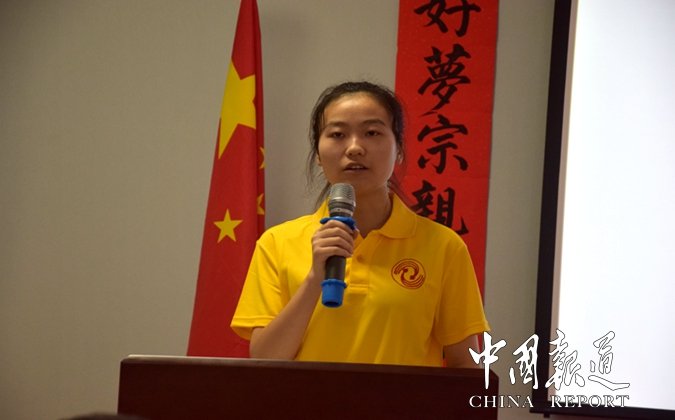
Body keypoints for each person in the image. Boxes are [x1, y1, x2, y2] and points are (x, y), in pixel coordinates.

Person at [231, 81, 489, 368]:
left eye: (372, 132)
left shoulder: (444, 246)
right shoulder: (277, 243)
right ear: (318, 154)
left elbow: (466, 366)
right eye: (337, 134)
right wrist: (315, 278)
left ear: (399, 149)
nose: (354, 148)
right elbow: (265, 362)